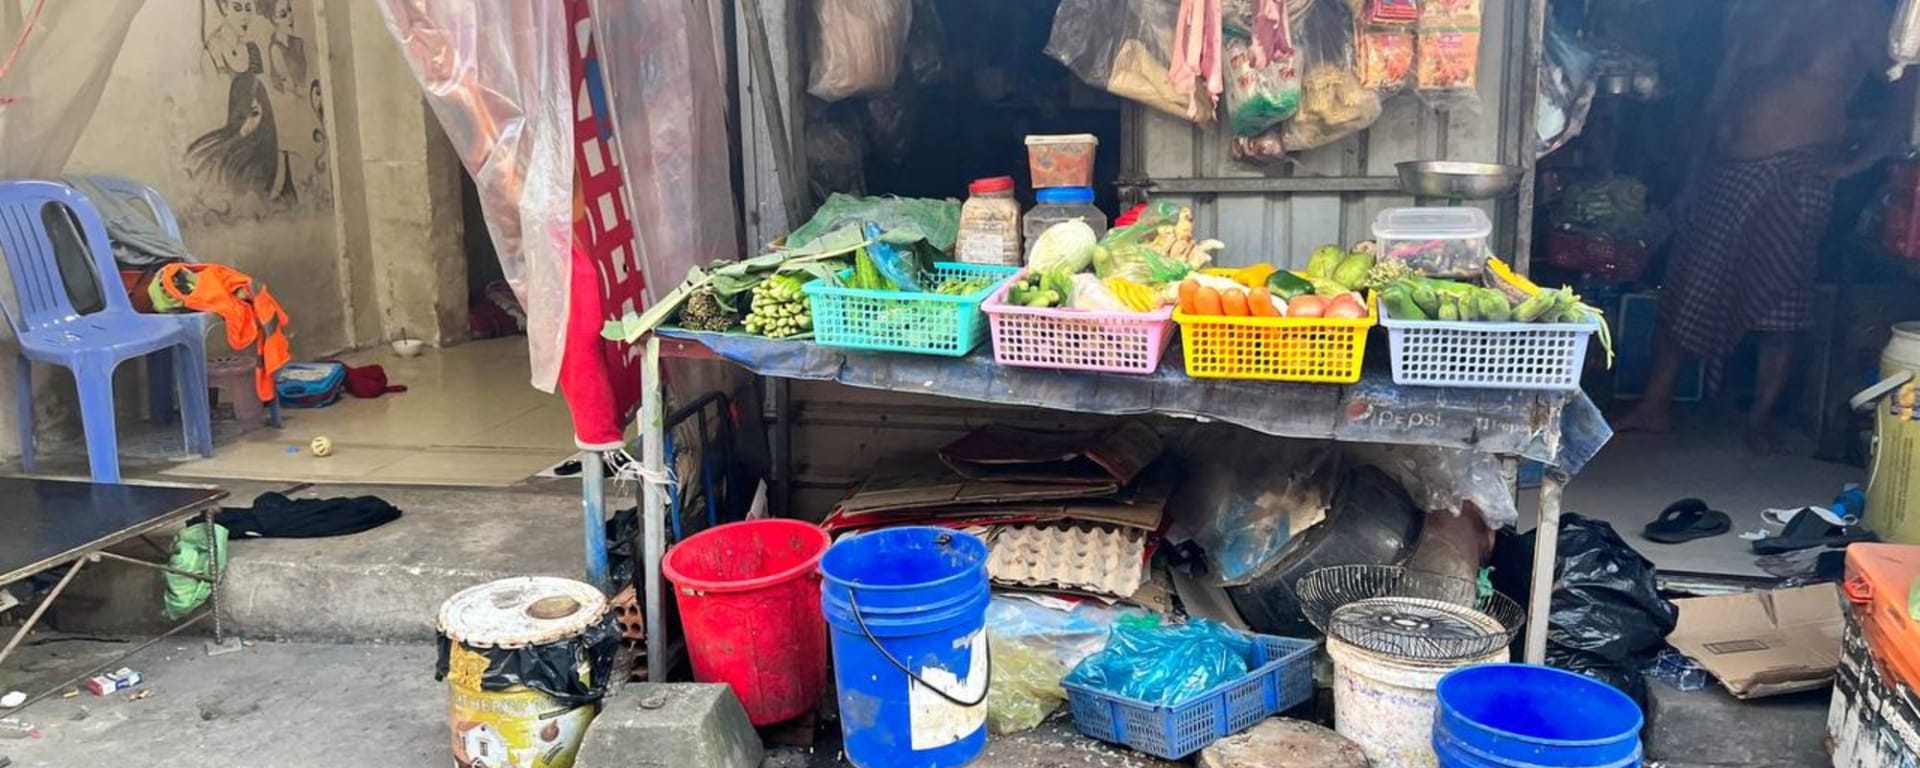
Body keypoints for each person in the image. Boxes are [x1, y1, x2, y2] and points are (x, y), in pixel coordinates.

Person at [1617, 0, 1914, 451]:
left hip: (1796, 173)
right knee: (1686, 286)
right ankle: (1654, 404)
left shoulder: (1858, 15)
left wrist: (1859, 162)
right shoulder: (1752, 10)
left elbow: (1906, 87)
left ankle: (1762, 418)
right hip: (1723, 169)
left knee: (1781, 298)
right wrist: (1694, 176)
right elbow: (1721, 95)